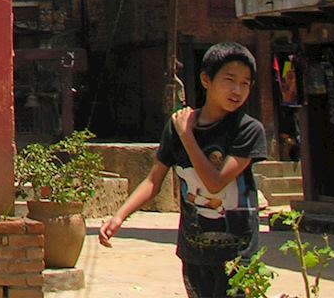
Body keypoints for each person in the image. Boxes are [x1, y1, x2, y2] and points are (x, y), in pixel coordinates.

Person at [99, 42, 267, 298]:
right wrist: (119, 216)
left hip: (238, 255)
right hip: (194, 252)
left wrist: (188, 136)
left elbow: (215, 183)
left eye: (245, 83)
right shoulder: (176, 127)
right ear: (206, 80)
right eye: (229, 80)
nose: (237, 90)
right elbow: (153, 181)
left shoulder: (248, 129)